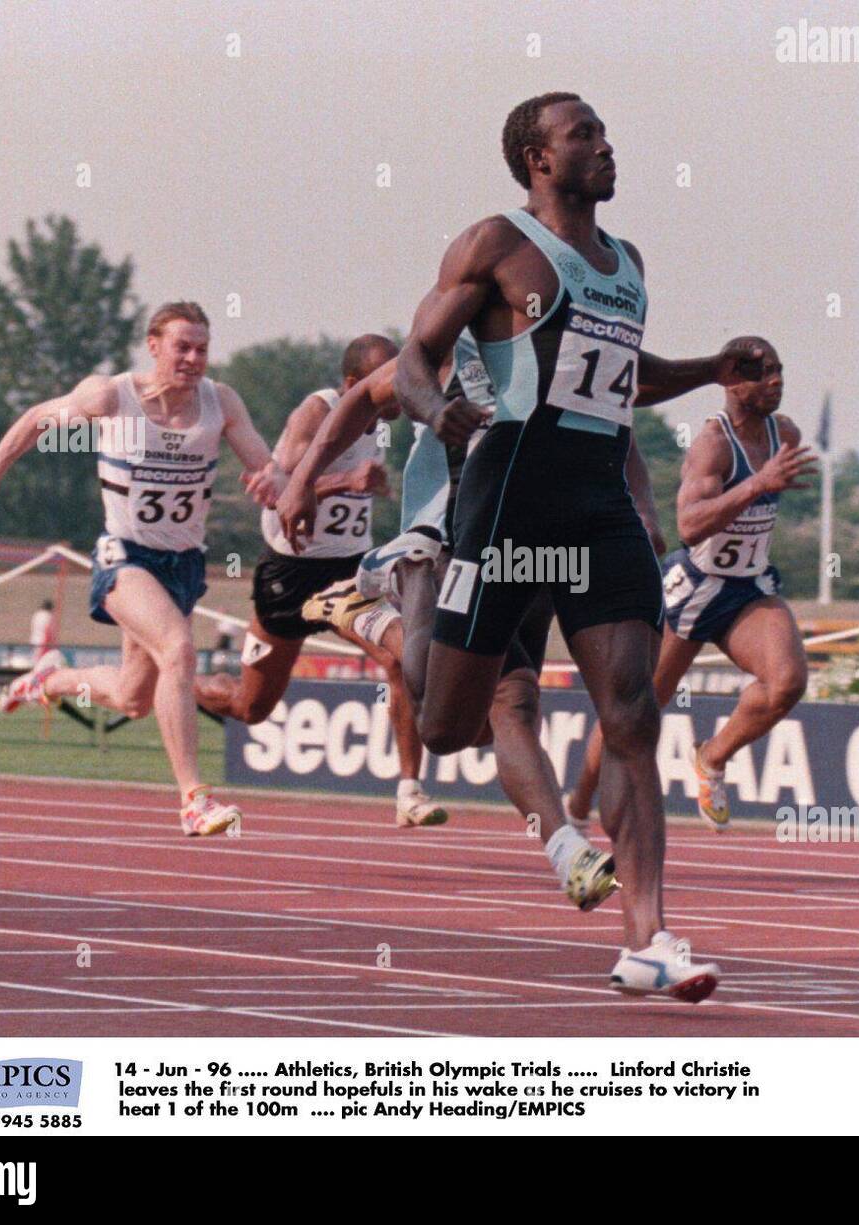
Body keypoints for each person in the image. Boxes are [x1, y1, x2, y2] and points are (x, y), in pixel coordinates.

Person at [287, 92, 765, 1001]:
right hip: (505, 493)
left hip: (596, 499)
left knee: (631, 711)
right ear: (537, 158)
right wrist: (437, 410)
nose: (607, 145)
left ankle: (648, 938)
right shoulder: (494, 244)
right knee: (449, 725)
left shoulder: (627, 264)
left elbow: (626, 381)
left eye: (606, 131)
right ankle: (379, 621)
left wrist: (711, 367)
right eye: (585, 134)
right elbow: (419, 356)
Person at [281, 332, 626, 910]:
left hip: (532, 548)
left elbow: (626, 418)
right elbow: (367, 395)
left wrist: (709, 373)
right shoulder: (450, 348)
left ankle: (569, 850)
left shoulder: (574, 346)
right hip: (444, 541)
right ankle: (373, 614)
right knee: (433, 701)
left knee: (498, 714)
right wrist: (302, 478)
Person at [0, 301, 283, 836]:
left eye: (202, 348)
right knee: (178, 646)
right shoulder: (110, 396)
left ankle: (51, 678)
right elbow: (39, 418)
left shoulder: (220, 402)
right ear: (153, 345)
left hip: (182, 565)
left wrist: (277, 482)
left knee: (134, 698)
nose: (193, 358)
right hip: (124, 557)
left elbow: (267, 466)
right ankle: (194, 799)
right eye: (182, 346)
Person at [194, 334, 448, 828]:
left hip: (350, 570)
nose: (399, 392)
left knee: (401, 657)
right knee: (250, 707)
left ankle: (409, 791)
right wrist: (345, 483)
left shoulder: (388, 421)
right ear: (356, 383)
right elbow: (274, 487)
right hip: (289, 576)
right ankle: (177, 682)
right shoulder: (316, 413)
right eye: (388, 384)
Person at [568, 340, 816, 831]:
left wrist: (764, 484)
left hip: (747, 587)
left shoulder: (783, 432)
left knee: (787, 683)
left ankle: (714, 758)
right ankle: (576, 807)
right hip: (695, 587)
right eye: (763, 372)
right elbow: (689, 526)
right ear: (732, 381)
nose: (776, 380)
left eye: (780, 370)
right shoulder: (714, 444)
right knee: (634, 710)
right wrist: (756, 485)